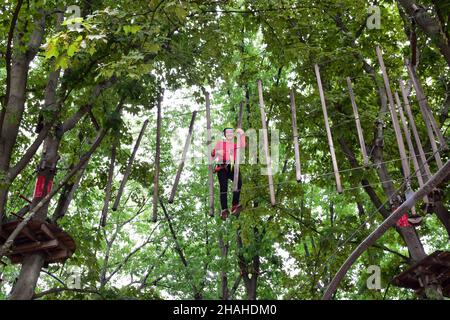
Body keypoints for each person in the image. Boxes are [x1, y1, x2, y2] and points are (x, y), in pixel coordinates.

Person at [211, 127, 246, 220]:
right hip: (222, 167)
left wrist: (242, 134)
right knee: (224, 187)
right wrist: (218, 152)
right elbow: (213, 153)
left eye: (231, 132)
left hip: (232, 166)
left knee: (238, 183)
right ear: (225, 135)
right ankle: (224, 209)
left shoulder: (235, 145)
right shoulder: (220, 143)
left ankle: (234, 206)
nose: (230, 134)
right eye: (228, 132)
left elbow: (243, 145)